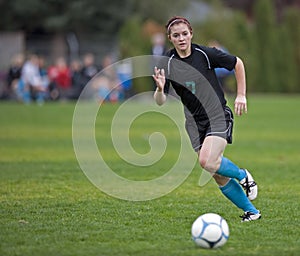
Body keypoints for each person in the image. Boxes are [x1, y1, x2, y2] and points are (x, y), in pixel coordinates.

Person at [152, 16, 260, 222]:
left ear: (191, 33)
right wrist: (159, 88)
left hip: (216, 114)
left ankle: (243, 175)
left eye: (185, 34)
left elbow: (237, 63)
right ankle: (252, 212)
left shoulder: (204, 54)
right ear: (170, 38)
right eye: (176, 35)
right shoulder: (167, 63)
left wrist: (241, 94)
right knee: (216, 172)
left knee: (206, 160)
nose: (181, 38)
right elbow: (160, 101)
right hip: (193, 122)